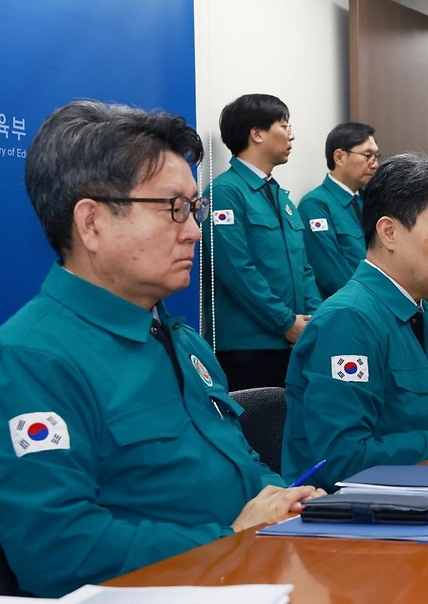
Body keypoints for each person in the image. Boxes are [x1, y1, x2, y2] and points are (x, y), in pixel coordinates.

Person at [0, 101, 323, 597]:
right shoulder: (31, 357)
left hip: (255, 570)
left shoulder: (182, 340)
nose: (194, 229)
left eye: (193, 209)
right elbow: (59, 547)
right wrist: (229, 541)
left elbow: (235, 461)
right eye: (174, 208)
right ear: (91, 223)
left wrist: (283, 497)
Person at [282, 153, 428, 491]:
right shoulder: (349, 321)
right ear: (389, 232)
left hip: (424, 499)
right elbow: (340, 462)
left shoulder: (420, 314)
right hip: (352, 525)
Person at [202, 94, 322, 390]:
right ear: (256, 134)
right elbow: (238, 272)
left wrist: (315, 321)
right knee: (260, 432)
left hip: (294, 342)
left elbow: (303, 268)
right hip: (250, 347)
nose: (291, 135)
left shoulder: (281, 198)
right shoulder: (225, 193)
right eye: (284, 126)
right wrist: (285, 322)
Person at [298, 122, 380, 299]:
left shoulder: (370, 200)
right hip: (349, 306)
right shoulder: (315, 205)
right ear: (339, 157)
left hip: (378, 301)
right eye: (367, 156)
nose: (374, 164)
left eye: (376, 156)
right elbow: (330, 273)